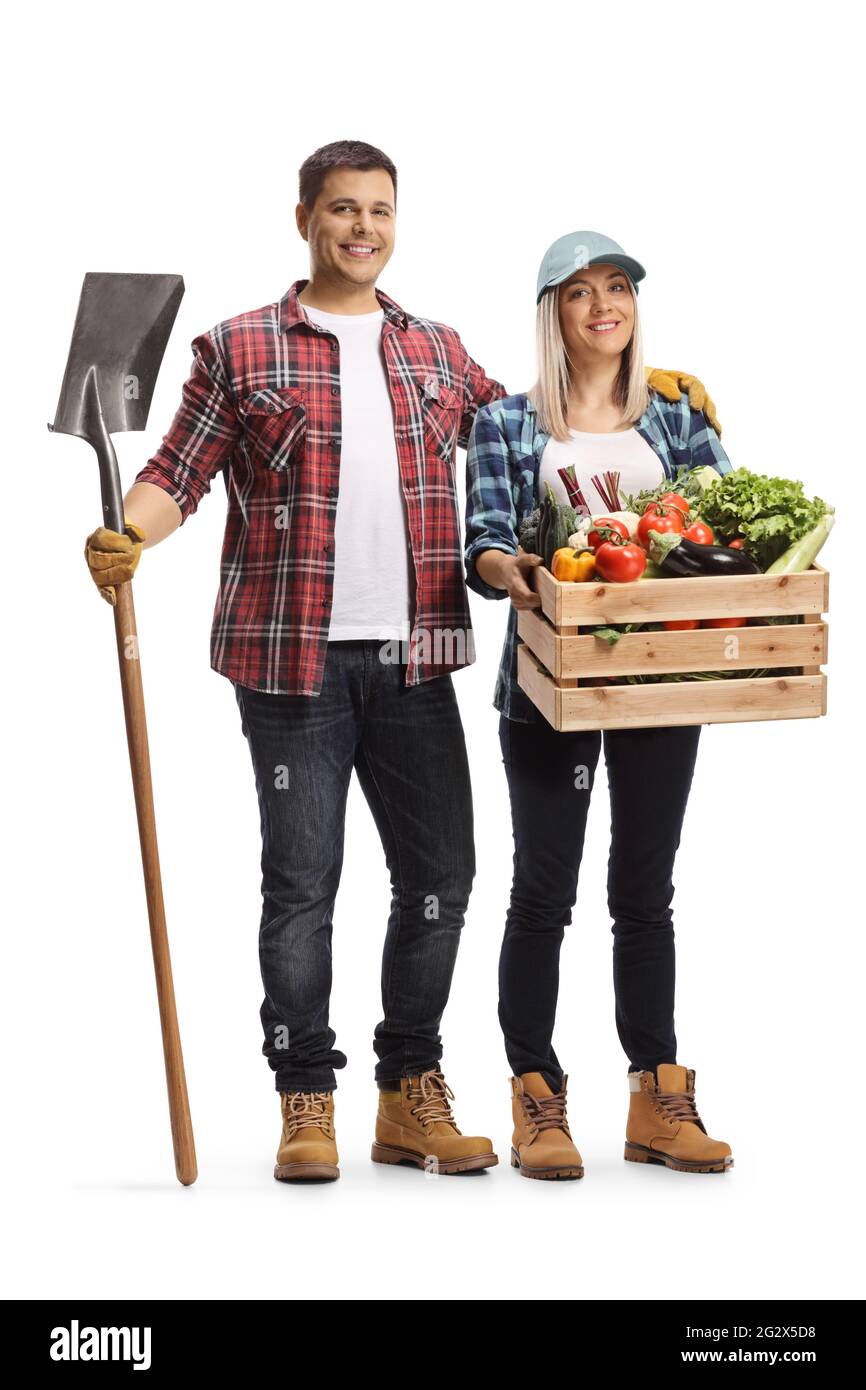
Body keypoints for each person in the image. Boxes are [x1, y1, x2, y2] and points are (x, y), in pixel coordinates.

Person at [83, 150, 718, 1184]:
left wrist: (647, 394)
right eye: (342, 209)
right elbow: (174, 472)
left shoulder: (433, 349)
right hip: (291, 664)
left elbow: (528, 424)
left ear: (395, 222)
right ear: (305, 218)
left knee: (440, 877)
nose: (361, 226)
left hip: (417, 654)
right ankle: (305, 1096)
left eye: (378, 210)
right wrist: (132, 537)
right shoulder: (241, 347)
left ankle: (405, 1090)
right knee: (302, 885)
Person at [464, 231, 734, 1180]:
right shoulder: (506, 422)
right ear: (554, 313)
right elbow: (486, 539)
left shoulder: (675, 414)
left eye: (616, 287)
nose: (602, 306)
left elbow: (729, 529)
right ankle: (537, 1099)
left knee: (644, 893)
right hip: (552, 685)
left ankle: (657, 1097)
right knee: (544, 890)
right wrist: (517, 569)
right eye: (579, 293)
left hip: (662, 681)